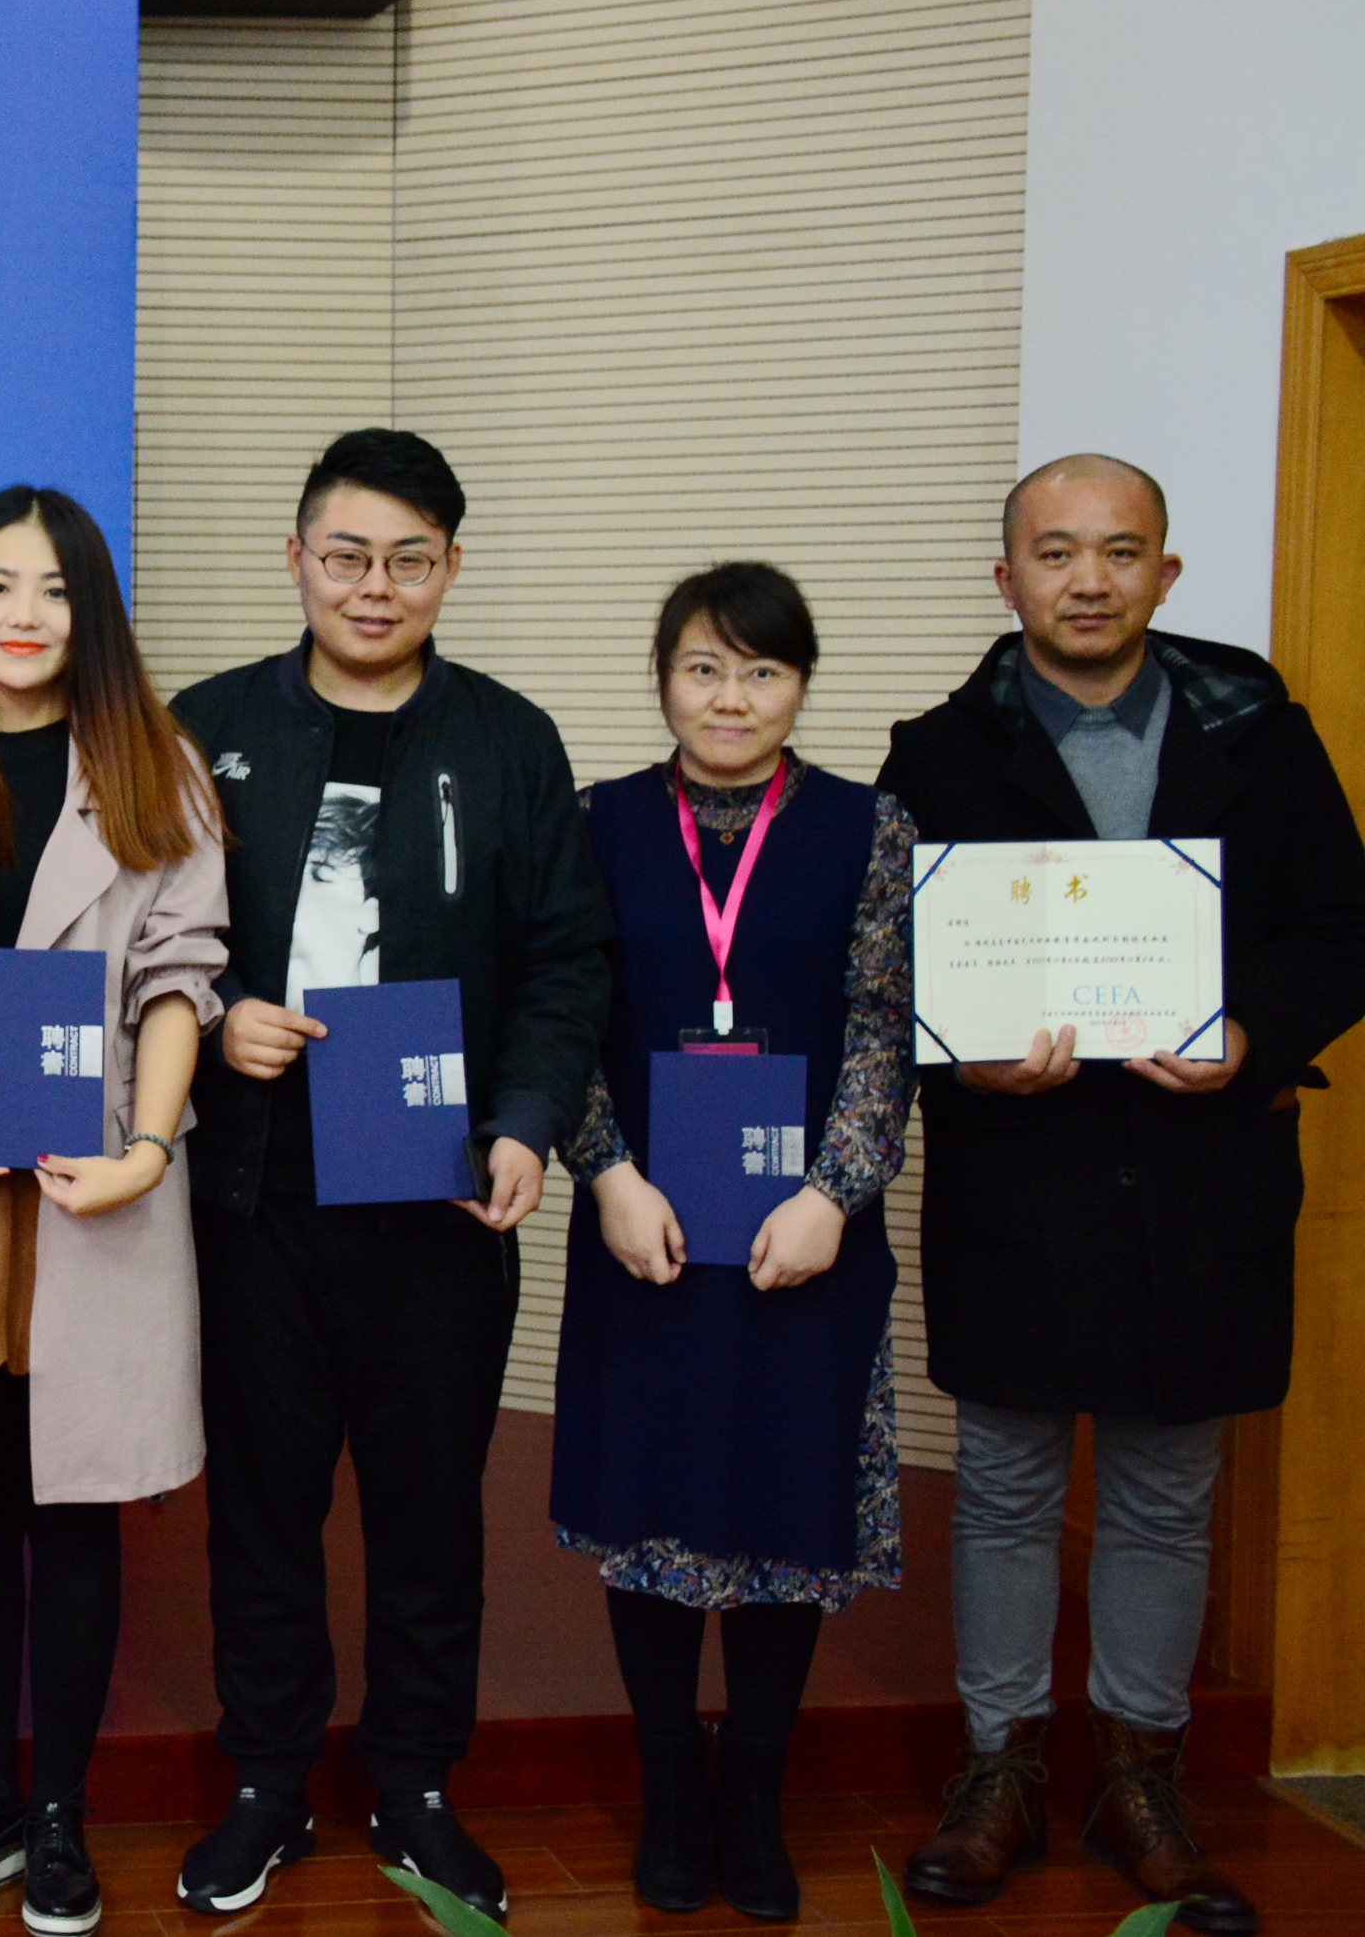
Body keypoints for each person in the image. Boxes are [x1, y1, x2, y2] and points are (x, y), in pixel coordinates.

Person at [880, 455, 1365, 1936]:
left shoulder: (1258, 727)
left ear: (1166, 572)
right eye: (1055, 551)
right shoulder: (935, 752)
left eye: (1120, 551)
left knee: (1166, 1491)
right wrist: (963, 1054)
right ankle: (1000, 1770)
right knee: (1008, 1486)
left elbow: (1340, 926)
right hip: (1018, 1176)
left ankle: (1142, 1781)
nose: (1087, 579)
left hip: (1203, 1176)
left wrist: (1252, 1034)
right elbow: (888, 962)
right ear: (1006, 576)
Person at [163, 428, 612, 1924]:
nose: (376, 586)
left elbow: (565, 960)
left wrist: (527, 1122)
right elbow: (143, 935)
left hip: (438, 1191)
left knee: (430, 1510)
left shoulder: (511, 740)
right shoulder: (207, 727)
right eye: (348, 555)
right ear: (295, 558)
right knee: (263, 1507)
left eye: (409, 559)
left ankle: (416, 1780)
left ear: (452, 570)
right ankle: (267, 1781)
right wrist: (218, 1015)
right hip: (256, 1194)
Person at [0, 488, 228, 1937]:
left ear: (94, 613)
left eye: (57, 588)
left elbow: (179, 980)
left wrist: (147, 1146)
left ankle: (64, 1812)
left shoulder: (158, 771)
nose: (24, 613)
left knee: (77, 1513)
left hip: (94, 1194)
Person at [545, 563, 915, 1923]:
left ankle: (752, 1796)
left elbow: (884, 1025)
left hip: (801, 1236)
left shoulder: (871, 829)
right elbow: (562, 1015)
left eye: (762, 670)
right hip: (645, 1226)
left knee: (784, 1510)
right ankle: (669, 1790)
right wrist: (606, 1172)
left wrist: (835, 1192)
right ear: (664, 680)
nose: (732, 697)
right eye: (704, 667)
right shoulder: (594, 823)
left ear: (800, 686)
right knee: (651, 1513)